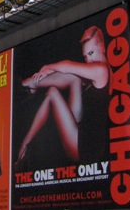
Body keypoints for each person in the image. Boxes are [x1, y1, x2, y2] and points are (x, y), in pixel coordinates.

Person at [16, 26, 110, 167]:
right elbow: (70, 73)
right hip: (82, 132)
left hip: (84, 148)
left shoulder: (101, 70)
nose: (89, 60)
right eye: (85, 56)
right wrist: (48, 72)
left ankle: (25, 145)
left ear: (102, 47)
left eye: (91, 53)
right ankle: (30, 84)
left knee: (53, 92)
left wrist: (47, 67)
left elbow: (68, 65)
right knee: (75, 78)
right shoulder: (101, 71)